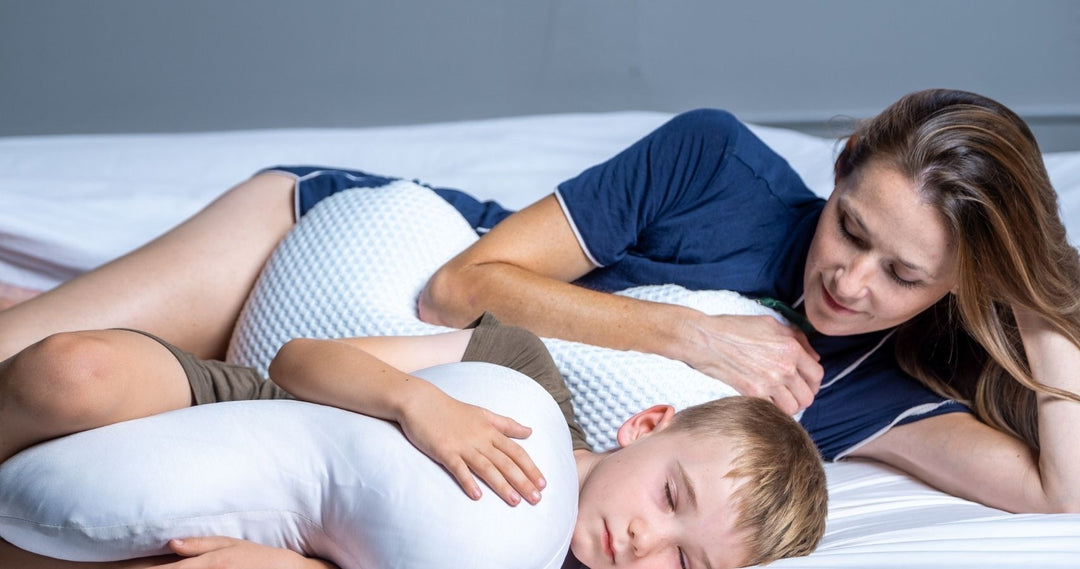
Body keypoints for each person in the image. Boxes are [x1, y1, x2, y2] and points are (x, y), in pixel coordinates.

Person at [1, 87, 1076, 513]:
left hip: (359, 386)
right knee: (25, 356)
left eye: (905, 275)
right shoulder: (718, 165)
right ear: (839, 172)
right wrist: (696, 335)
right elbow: (463, 283)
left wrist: (1037, 304)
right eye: (850, 228)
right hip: (326, 245)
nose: (850, 281)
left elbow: (1059, 491)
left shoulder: (878, 386)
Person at [0, 314, 828, 569]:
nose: (647, 541)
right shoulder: (522, 375)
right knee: (73, 371)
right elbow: (295, 360)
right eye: (671, 495)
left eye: (685, 565)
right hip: (254, 412)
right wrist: (416, 401)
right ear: (646, 425)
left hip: (295, 542)